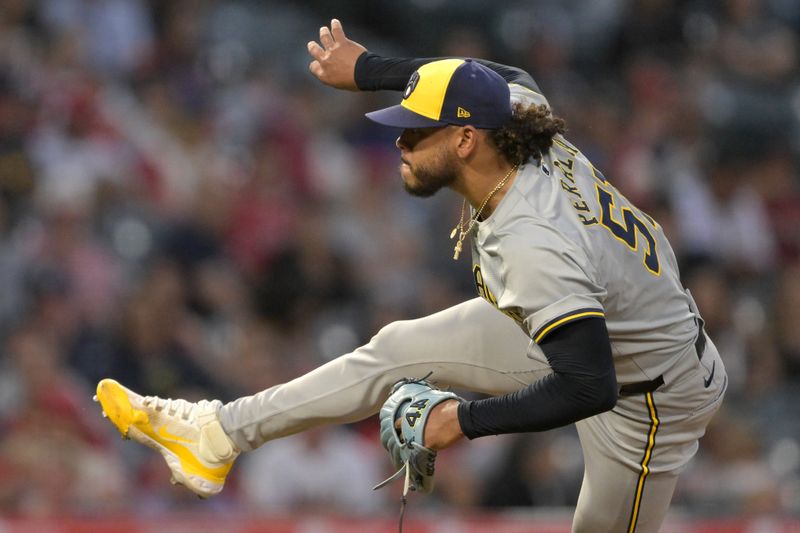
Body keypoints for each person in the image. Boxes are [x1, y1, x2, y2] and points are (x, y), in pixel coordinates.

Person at [95, 19, 727, 532]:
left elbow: (589, 385)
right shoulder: (516, 117)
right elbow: (503, 77)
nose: (398, 144)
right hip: (605, 330)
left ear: (464, 141)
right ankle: (214, 435)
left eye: (414, 133)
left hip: (648, 397)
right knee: (399, 349)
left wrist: (460, 421)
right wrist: (371, 71)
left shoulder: (532, 238)